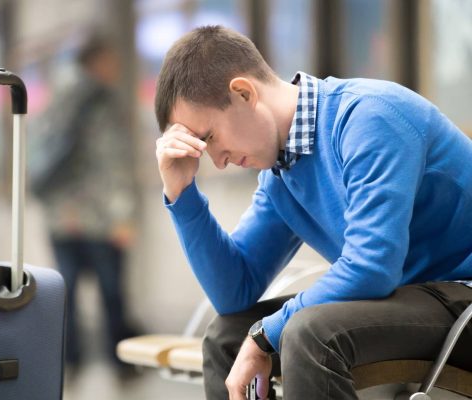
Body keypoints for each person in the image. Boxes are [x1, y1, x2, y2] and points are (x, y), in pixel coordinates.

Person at [153, 25, 472, 399]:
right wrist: (181, 193)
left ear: (243, 92)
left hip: (461, 298)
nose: (218, 162)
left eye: (208, 138)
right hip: (411, 300)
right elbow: (233, 292)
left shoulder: (369, 118)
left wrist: (265, 334)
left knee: (308, 332)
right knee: (227, 336)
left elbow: (372, 267)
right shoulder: (281, 176)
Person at [29, 34, 138, 373]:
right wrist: (123, 216)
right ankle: (120, 361)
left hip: (61, 216)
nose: (115, 69)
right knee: (111, 292)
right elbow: (112, 163)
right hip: (98, 218)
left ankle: (69, 360)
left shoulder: (56, 95)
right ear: (97, 62)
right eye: (111, 62)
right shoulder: (100, 101)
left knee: (67, 290)